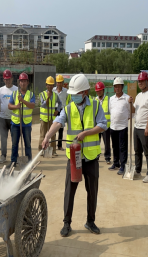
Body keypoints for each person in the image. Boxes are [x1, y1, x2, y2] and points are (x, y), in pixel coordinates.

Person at [41, 74, 107, 236]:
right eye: (73, 94)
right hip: (74, 157)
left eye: (77, 94)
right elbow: (58, 122)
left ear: (85, 92)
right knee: (69, 190)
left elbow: (103, 125)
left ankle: (90, 221)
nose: (74, 97)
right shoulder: (69, 107)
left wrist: (87, 133)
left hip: (91, 157)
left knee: (92, 191)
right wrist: (47, 136)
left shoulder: (96, 106)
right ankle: (66, 223)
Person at [133, 71, 148, 183]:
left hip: (146, 128)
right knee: (137, 151)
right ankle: (138, 171)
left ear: (147, 81)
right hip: (137, 127)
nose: (140, 83)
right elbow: (134, 110)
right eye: (139, 81)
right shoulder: (138, 96)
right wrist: (129, 103)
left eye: (142, 81)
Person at [8, 72, 35, 168]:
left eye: (25, 81)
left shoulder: (31, 94)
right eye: (21, 81)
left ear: (27, 82)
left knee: (27, 144)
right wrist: (16, 106)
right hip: (15, 123)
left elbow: (32, 105)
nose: (23, 83)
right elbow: (9, 106)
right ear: (19, 83)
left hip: (26, 124)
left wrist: (23, 101)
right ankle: (13, 162)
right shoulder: (14, 93)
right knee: (14, 144)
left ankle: (29, 161)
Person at [108, 77, 133, 175]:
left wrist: (126, 117)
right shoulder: (111, 99)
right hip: (113, 126)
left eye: (118, 86)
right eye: (115, 87)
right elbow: (111, 110)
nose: (117, 88)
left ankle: (123, 165)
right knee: (114, 146)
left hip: (122, 127)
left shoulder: (127, 98)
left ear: (122, 87)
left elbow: (131, 113)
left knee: (122, 147)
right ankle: (116, 163)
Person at [0, 69, 16, 164]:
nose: (7, 81)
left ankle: (14, 157)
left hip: (13, 118)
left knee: (14, 139)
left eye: (9, 79)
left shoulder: (16, 90)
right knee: (3, 138)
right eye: (5, 79)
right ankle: (3, 156)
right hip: (2, 118)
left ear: (12, 79)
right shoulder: (0, 90)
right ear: (3, 80)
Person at [38, 76, 59, 156]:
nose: (50, 86)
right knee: (43, 135)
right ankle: (41, 150)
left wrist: (57, 110)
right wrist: (48, 97)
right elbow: (43, 105)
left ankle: (53, 151)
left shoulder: (55, 95)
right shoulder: (42, 94)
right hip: (44, 119)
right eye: (49, 85)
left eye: (52, 85)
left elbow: (60, 103)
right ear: (46, 85)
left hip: (51, 118)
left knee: (53, 135)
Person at [95, 82, 111, 164]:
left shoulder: (108, 99)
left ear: (103, 90)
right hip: (97, 125)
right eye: (97, 91)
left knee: (107, 143)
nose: (98, 92)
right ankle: (97, 156)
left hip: (106, 126)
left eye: (100, 90)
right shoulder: (94, 100)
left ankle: (107, 157)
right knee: (97, 142)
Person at [53, 75, 70, 151]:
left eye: (60, 82)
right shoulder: (53, 90)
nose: (59, 84)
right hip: (54, 110)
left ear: (63, 83)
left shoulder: (66, 91)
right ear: (56, 83)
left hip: (62, 110)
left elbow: (69, 100)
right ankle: (52, 145)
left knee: (61, 128)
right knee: (53, 127)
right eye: (58, 82)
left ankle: (59, 145)